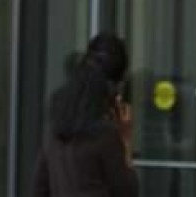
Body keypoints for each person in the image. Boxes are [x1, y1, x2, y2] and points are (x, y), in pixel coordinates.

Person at [32, 33, 139, 197]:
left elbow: (40, 188)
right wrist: (126, 140)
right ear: (112, 88)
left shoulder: (55, 132)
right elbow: (128, 192)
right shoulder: (105, 137)